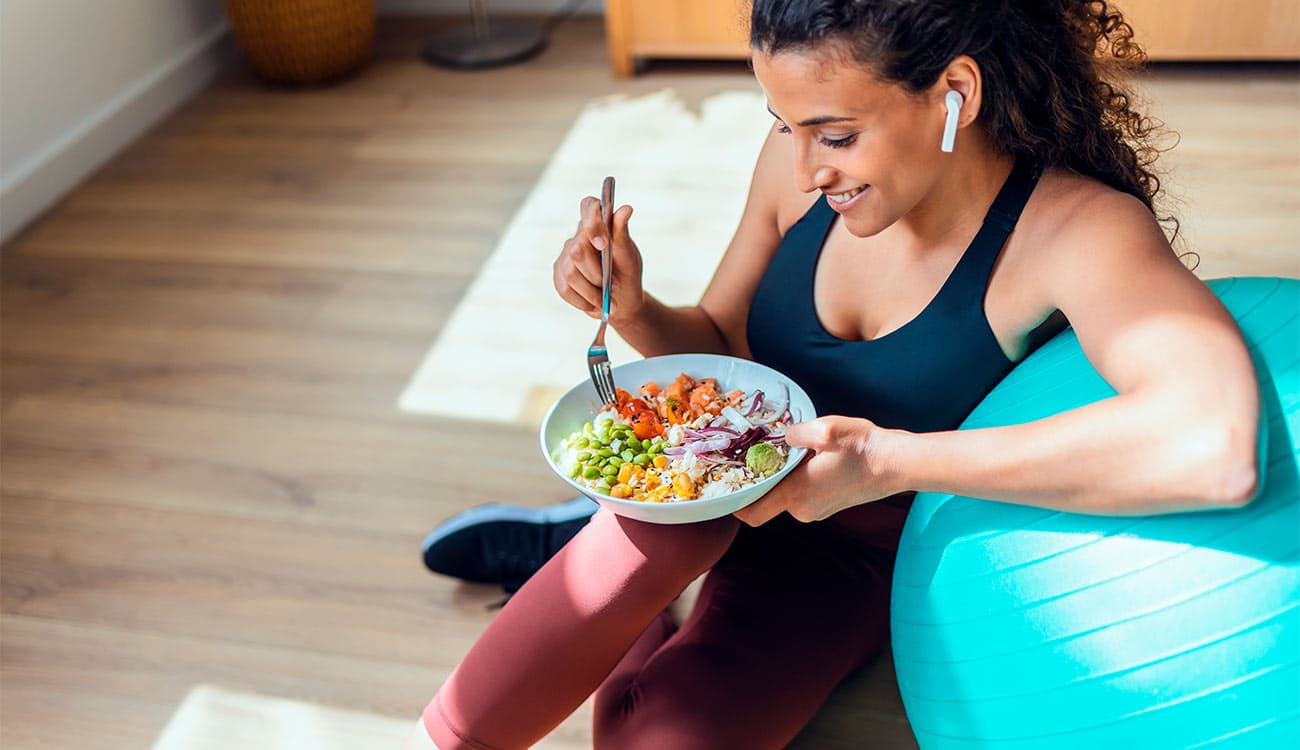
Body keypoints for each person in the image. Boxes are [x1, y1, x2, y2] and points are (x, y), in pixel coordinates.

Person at [407, 1, 1261, 747]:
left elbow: (1214, 449)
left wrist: (884, 462)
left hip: (851, 555)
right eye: (785, 125)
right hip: (713, 486)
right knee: (675, 532)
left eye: (837, 135)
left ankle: (594, 563)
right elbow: (722, 347)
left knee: (654, 736)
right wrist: (632, 309)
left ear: (955, 91)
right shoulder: (798, 171)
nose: (807, 171)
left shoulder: (1076, 233)